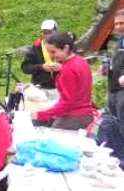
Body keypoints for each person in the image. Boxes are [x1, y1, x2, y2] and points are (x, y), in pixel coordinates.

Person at [32, 32, 95, 130]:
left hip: (73, 117)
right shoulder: (81, 61)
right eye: (49, 52)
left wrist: (41, 115)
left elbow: (68, 102)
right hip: (86, 113)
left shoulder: (68, 69)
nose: (51, 56)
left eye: (53, 52)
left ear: (66, 48)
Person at [97, 9, 124, 165]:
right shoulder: (120, 42)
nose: (119, 27)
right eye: (116, 24)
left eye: (122, 23)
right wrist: (107, 69)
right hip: (113, 91)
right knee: (114, 125)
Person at [21, 19, 59, 90]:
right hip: (41, 87)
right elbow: (25, 68)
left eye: (50, 32)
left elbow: (74, 64)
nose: (47, 35)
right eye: (45, 32)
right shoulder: (37, 46)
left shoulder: (65, 45)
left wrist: (62, 67)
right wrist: (41, 67)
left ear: (56, 31)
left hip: (62, 86)